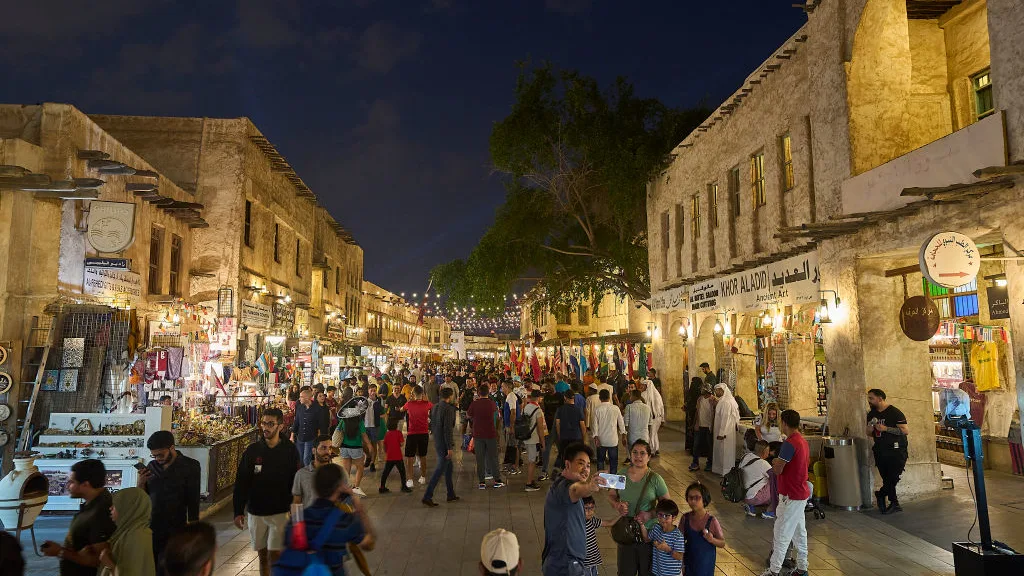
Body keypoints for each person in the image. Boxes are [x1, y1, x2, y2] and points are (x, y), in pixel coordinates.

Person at [274, 464, 375, 576]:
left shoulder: (297, 519)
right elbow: (369, 544)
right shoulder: (344, 521)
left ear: (315, 487)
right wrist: (359, 507)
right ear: (340, 487)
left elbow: (283, 551)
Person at [233, 408, 300, 576]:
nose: (266, 428)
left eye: (271, 424)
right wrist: (238, 511)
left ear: (281, 426)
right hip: (257, 511)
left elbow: (297, 482)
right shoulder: (253, 451)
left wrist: (298, 514)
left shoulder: (290, 450)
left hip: (281, 511)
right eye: (264, 423)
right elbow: (242, 481)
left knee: (275, 554)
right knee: (262, 556)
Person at [41, 459, 117, 576]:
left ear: (85, 484)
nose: (68, 486)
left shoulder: (101, 512)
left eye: (71, 482)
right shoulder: (92, 504)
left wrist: (60, 552)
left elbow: (99, 559)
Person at [138, 430, 201, 571]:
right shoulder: (151, 467)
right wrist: (141, 483)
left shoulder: (190, 466)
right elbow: (142, 498)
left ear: (172, 448)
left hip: (176, 525)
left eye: (160, 454)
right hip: (152, 527)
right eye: (154, 455)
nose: (157, 458)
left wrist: (194, 525)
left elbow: (193, 497)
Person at [607, 439, 668, 576]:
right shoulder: (621, 474)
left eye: (642, 453)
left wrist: (650, 514)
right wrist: (617, 505)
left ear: (649, 457)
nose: (638, 456)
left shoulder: (655, 479)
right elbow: (611, 495)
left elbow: (668, 507)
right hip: (626, 532)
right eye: (635, 452)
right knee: (625, 571)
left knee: (647, 572)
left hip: (648, 533)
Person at [541, 443, 604, 576]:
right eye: (581, 463)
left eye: (588, 465)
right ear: (568, 464)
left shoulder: (559, 484)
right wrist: (590, 487)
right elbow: (575, 490)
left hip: (564, 561)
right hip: (565, 564)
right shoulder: (563, 487)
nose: (586, 469)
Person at [761, 409, 810, 576]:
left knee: (782, 533)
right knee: (798, 533)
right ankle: (803, 568)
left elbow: (778, 470)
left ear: (784, 423)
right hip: (798, 493)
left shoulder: (790, 443)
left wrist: (775, 461)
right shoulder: (802, 441)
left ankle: (773, 571)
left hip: (791, 495)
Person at [95, 487, 156, 576]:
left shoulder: (135, 537)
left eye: (116, 505)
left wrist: (109, 564)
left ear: (128, 508)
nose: (111, 509)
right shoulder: (131, 533)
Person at [866, 388, 909, 514]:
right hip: (880, 449)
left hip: (896, 450)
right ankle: (894, 503)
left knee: (893, 477)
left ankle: (881, 494)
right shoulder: (871, 414)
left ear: (880, 399)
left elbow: (905, 431)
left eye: (871, 398)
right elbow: (868, 433)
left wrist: (886, 428)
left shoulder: (894, 412)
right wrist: (870, 427)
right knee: (887, 478)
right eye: (869, 398)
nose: (869, 401)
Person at [423, 387, 459, 507]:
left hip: (437, 440)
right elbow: (447, 429)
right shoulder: (448, 409)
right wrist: (449, 446)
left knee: (449, 468)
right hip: (444, 443)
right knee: (440, 469)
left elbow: (432, 423)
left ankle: (451, 493)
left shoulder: (435, 407)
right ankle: (427, 496)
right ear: (450, 396)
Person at [682, 482, 726, 576]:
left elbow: (722, 543)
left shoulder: (712, 521)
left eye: (697, 498)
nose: (693, 501)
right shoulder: (685, 518)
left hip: (705, 565)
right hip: (689, 562)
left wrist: (712, 540)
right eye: (690, 498)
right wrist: (681, 563)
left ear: (704, 500)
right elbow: (679, 541)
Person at [468, 383, 505, 489]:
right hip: (490, 434)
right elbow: (497, 417)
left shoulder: (474, 404)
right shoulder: (492, 404)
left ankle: (482, 482)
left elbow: (468, 415)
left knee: (480, 459)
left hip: (478, 434)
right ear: (488, 392)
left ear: (479, 393)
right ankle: (497, 480)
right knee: (493, 457)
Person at [643, 499, 685, 576]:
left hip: (672, 574)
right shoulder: (656, 528)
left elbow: (680, 557)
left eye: (666, 516)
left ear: (674, 517)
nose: (662, 519)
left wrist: (668, 549)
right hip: (657, 572)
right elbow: (646, 539)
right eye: (660, 515)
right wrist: (641, 524)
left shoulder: (677, 536)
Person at [292, 435, 336, 508]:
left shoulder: (339, 472)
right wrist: (297, 519)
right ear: (314, 451)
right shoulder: (301, 474)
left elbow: (348, 498)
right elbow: (296, 502)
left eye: (330, 448)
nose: (328, 452)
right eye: (323, 448)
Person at [337, 405, 371, 496]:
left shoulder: (343, 421)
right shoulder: (359, 422)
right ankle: (356, 487)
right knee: (360, 467)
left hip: (344, 447)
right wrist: (369, 445)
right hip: (356, 447)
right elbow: (364, 435)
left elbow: (338, 431)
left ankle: (346, 488)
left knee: (346, 470)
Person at [590, 388, 625, 474]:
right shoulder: (615, 408)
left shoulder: (597, 409)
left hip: (601, 440)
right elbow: (621, 423)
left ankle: (601, 481)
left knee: (600, 461)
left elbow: (594, 425)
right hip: (613, 440)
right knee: (613, 462)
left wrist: (595, 437)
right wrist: (624, 434)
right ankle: (613, 482)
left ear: (600, 398)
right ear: (609, 397)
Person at [403, 385, 433, 486]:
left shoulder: (409, 404)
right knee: (423, 456)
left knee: (410, 457)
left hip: (412, 433)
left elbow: (402, 409)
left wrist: (410, 398)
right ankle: (423, 477)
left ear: (413, 393)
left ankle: (410, 479)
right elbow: (432, 406)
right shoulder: (427, 404)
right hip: (424, 433)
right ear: (422, 394)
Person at [580, 495, 617, 576]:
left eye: (592, 507)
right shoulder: (576, 525)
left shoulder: (592, 521)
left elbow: (609, 523)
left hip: (593, 560)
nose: (590, 511)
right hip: (583, 562)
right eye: (586, 508)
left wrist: (621, 514)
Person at [292, 386, 327, 466]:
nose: (299, 399)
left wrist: (322, 439)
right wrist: (292, 435)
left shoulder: (317, 408)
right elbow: (296, 421)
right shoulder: (300, 407)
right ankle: (302, 474)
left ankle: (308, 474)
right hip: (300, 437)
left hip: (311, 437)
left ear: (307, 398)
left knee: (306, 459)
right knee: (300, 458)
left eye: (301, 397)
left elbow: (322, 424)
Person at [522, 389, 548, 491]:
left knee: (531, 459)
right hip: (533, 439)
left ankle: (531, 480)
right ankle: (529, 483)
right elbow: (540, 428)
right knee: (532, 461)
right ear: (539, 398)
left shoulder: (527, 407)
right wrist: (543, 442)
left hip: (527, 437)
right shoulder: (538, 410)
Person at [712, 384, 740, 476]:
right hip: (727, 432)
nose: (716, 392)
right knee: (724, 452)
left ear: (722, 390)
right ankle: (723, 470)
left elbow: (725, 418)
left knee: (725, 452)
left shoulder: (726, 402)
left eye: (717, 390)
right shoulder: (726, 400)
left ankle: (725, 471)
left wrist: (721, 432)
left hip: (725, 432)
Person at [554, 389, 586, 470]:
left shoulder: (560, 409)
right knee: (576, 459)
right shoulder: (578, 409)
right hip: (577, 438)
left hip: (564, 437)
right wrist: (583, 438)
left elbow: (557, 424)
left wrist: (559, 435)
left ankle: (566, 476)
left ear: (565, 397)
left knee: (565, 459)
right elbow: (582, 425)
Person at [741, 439, 774, 517]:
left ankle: (750, 506)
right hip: (753, 498)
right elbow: (775, 477)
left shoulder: (746, 456)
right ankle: (771, 510)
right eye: (768, 451)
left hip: (742, 495)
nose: (769, 453)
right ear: (764, 452)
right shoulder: (763, 464)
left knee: (760, 479)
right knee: (776, 483)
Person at [380, 420, 414, 493]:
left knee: (386, 472)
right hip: (398, 456)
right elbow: (401, 444)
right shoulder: (398, 433)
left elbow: (384, 445)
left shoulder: (387, 434)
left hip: (389, 456)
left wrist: (386, 451)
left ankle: (382, 487)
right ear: (396, 426)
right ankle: (404, 486)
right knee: (402, 472)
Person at [688, 385, 715, 472]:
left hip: (709, 427)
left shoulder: (713, 400)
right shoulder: (700, 399)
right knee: (696, 446)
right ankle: (695, 463)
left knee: (710, 446)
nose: (702, 391)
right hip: (699, 426)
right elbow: (697, 411)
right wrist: (694, 423)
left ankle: (709, 463)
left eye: (703, 390)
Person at [501, 380, 522, 476]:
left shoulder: (511, 397)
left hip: (512, 425)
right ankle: (510, 465)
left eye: (503, 386)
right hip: (508, 425)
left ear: (507, 387)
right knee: (510, 445)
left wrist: (512, 426)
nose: (502, 388)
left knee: (514, 446)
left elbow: (513, 412)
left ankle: (515, 466)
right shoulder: (509, 396)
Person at [363, 384, 385, 472]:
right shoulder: (364, 400)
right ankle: (368, 456)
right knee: (363, 444)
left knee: (374, 444)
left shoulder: (379, 400)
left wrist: (376, 401)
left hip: (375, 426)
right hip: (365, 426)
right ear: (368, 391)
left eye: (374, 390)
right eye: (371, 390)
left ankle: (372, 463)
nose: (373, 392)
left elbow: (381, 411)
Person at [640, 378, 665, 456]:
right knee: (654, 433)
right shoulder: (657, 394)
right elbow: (661, 406)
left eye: (643, 386)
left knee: (651, 434)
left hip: (651, 418)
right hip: (658, 417)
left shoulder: (643, 395)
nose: (641, 387)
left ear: (647, 386)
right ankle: (656, 448)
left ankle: (652, 450)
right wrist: (663, 418)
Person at [622, 390, 651, 455]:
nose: (630, 398)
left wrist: (624, 436)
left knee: (634, 456)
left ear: (634, 396)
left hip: (632, 437)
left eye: (631, 396)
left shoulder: (629, 407)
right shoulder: (647, 407)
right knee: (643, 455)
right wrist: (649, 435)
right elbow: (650, 424)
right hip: (645, 436)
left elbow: (626, 424)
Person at [684, 377, 703, 453]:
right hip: (695, 413)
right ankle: (695, 448)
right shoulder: (698, 393)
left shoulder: (690, 391)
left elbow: (687, 401)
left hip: (690, 413)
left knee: (691, 430)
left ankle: (691, 447)